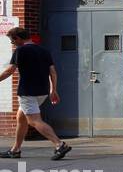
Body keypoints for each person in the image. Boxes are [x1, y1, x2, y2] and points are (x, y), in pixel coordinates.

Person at [0, 27, 70, 160]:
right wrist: (53, 89)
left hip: (27, 92)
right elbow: (53, 72)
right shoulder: (43, 51)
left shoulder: (20, 50)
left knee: (34, 121)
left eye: (12, 41)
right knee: (21, 118)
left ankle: (60, 145)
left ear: (18, 38)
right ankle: (15, 150)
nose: (13, 44)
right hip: (42, 92)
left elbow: (10, 70)